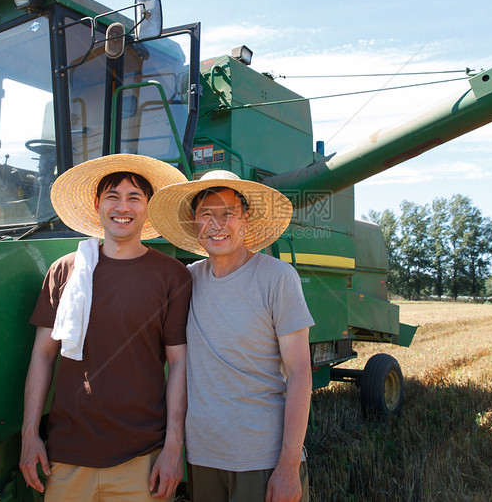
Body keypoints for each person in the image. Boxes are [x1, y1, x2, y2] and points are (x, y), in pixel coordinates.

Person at [19, 154, 192, 501]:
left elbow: (179, 365)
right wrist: (29, 435)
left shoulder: (172, 276)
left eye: (134, 197)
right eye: (113, 196)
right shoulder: (65, 271)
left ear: (148, 206)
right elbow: (42, 356)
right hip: (67, 457)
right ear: (97, 204)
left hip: (142, 458)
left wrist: (174, 445)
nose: (122, 206)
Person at [148, 170, 314, 502]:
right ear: (194, 223)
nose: (217, 224)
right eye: (206, 215)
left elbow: (300, 372)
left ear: (246, 218)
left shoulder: (277, 278)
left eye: (228, 214)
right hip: (203, 459)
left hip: (261, 460)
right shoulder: (186, 282)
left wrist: (288, 466)